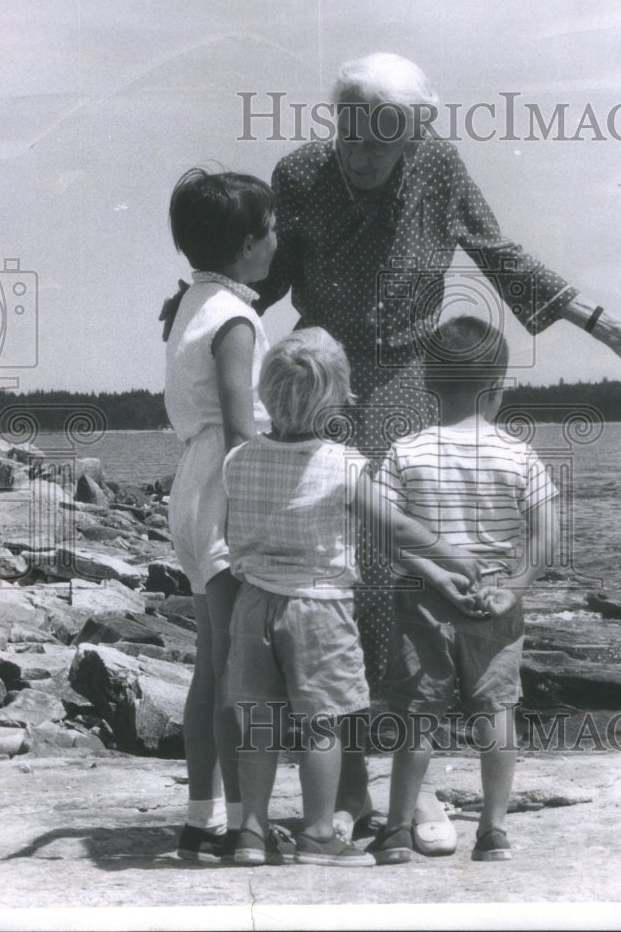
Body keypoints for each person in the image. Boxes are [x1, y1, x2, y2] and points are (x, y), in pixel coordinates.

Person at [250, 52, 621, 851]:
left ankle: (414, 790)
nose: (360, 156)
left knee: (407, 580)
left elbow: (497, 250)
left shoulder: (441, 168)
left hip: (413, 377)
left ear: (414, 138)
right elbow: (269, 277)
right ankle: (349, 788)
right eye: (349, 137)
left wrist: (599, 321)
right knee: (337, 571)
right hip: (328, 376)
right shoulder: (299, 174)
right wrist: (214, 306)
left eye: (380, 143)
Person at [222, 328, 478, 867]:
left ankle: (249, 830)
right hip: (318, 609)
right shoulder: (344, 464)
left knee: (261, 723)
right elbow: (394, 527)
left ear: (266, 394)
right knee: (324, 724)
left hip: (252, 605)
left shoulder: (239, 458)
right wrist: (451, 557)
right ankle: (318, 835)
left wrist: (428, 571)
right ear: (336, 400)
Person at [368, 314, 559, 864]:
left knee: (417, 717)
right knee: (496, 712)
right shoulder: (517, 452)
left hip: (424, 600)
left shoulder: (406, 450)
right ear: (497, 390)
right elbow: (547, 531)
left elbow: (383, 531)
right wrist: (515, 588)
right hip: (494, 599)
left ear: (428, 385)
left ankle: (399, 830)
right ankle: (493, 831)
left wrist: (431, 572)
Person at [162, 167, 277, 862]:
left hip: (190, 484)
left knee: (211, 662)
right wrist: (262, 513)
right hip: (226, 485)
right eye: (270, 231)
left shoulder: (189, 304)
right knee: (238, 669)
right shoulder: (237, 317)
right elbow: (241, 428)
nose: (277, 241)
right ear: (246, 246)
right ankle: (242, 826)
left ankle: (199, 818)